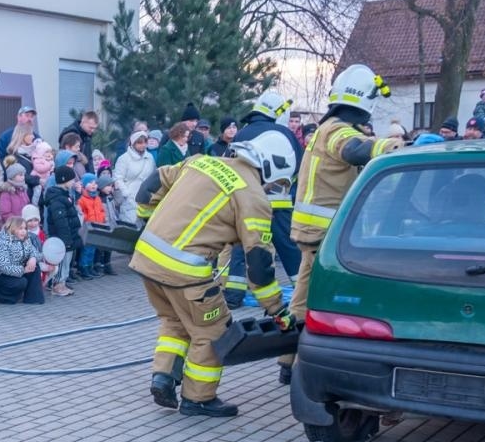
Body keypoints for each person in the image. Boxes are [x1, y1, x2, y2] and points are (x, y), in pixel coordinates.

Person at [130, 135, 295, 417]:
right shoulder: (253, 197)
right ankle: (198, 398)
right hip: (186, 273)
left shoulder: (200, 162)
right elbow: (259, 264)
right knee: (214, 331)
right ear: (270, 168)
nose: (273, 188)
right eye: (277, 183)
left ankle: (164, 377)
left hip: (147, 259)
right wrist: (277, 309)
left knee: (175, 320)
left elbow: (152, 184)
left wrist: (148, 218)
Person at [282, 64, 404, 384]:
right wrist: (395, 146)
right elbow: (354, 151)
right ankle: (308, 366)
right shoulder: (337, 131)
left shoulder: (325, 128)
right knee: (326, 302)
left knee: (302, 297)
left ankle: (286, 362)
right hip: (325, 234)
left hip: (311, 231)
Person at [221, 89, 306, 309]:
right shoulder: (286, 134)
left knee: (242, 247)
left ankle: (233, 296)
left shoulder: (242, 134)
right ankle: (304, 294)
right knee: (289, 249)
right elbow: (298, 166)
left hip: (249, 202)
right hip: (279, 203)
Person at [42, 165, 82, 295]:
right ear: (65, 180)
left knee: (67, 261)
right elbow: (61, 222)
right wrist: (66, 240)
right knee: (62, 261)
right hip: (63, 238)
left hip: (68, 236)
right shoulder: (58, 199)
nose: (74, 182)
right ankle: (57, 285)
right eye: (72, 179)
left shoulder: (64, 196)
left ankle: (62, 282)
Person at [0, 214, 44, 305]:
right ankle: (2, 295)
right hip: (2, 275)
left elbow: (38, 254)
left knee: (35, 267)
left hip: (19, 270)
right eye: (20, 228)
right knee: (20, 282)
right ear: (12, 228)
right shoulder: (3, 242)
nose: (24, 231)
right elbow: (4, 267)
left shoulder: (26, 239)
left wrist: (33, 258)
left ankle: (33, 298)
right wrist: (23, 270)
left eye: (25, 228)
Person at [112, 131, 154, 225]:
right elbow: (117, 178)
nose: (143, 145)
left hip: (146, 200)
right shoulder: (124, 158)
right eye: (140, 142)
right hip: (129, 199)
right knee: (130, 226)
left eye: (145, 142)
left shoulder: (150, 158)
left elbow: (152, 176)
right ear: (133, 143)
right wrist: (126, 194)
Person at [0, 164, 30, 234]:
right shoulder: (7, 192)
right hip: (13, 227)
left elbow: (27, 205)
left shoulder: (22, 189)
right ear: (12, 177)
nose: (23, 177)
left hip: (23, 226)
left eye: (23, 175)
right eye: (20, 175)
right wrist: (18, 223)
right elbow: (5, 213)